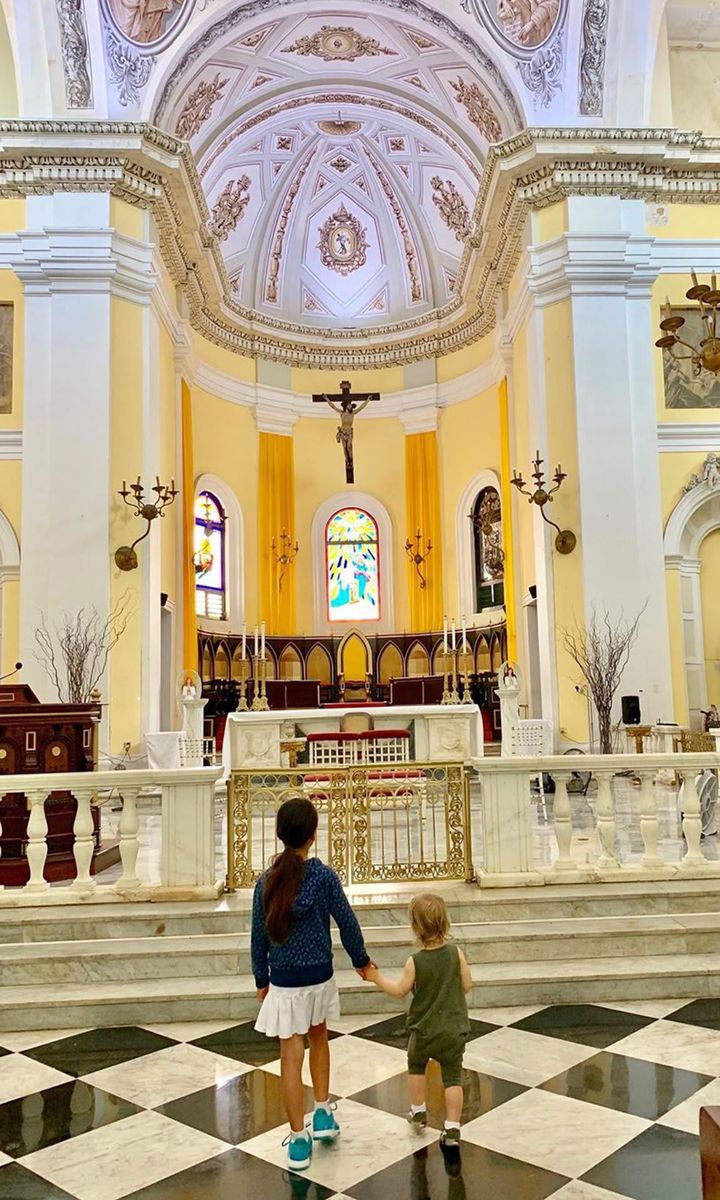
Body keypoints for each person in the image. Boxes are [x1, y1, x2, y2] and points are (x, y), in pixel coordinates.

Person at [251, 796, 373, 1171]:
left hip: (285, 977)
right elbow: (346, 920)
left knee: (290, 1056)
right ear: (313, 836)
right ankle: (322, 1113)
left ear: (279, 834)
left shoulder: (267, 880)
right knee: (319, 1039)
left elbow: (257, 934)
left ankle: (298, 1138)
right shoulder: (322, 876)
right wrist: (361, 960)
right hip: (318, 972)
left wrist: (261, 977)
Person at [365, 893, 472, 1170]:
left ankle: (418, 1112)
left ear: (415, 928)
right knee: (452, 1077)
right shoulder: (456, 953)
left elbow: (400, 990)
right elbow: (468, 984)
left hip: (423, 1031)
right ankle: (452, 1128)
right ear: (445, 923)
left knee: (415, 1066)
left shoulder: (415, 961)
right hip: (452, 1030)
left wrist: (375, 977)